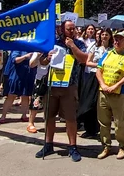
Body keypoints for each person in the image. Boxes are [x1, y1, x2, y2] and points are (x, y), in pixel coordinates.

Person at [34, 20, 89, 162]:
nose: (72, 31)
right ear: (62, 29)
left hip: (69, 86)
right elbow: (42, 62)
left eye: (73, 29)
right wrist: (48, 58)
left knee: (70, 118)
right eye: (69, 29)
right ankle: (48, 144)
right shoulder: (53, 42)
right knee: (49, 116)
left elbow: (84, 59)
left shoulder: (79, 43)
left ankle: (72, 147)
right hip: (52, 84)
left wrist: (72, 46)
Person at [96, 31, 124, 160]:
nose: (117, 42)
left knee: (119, 123)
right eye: (116, 39)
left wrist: (116, 86)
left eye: (120, 39)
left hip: (118, 94)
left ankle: (122, 146)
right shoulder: (107, 54)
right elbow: (98, 70)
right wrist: (103, 84)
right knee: (103, 122)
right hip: (103, 92)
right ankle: (106, 146)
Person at [77, 28, 104, 138]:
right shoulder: (94, 47)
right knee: (89, 103)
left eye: (106, 35)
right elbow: (88, 62)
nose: (103, 37)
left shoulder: (112, 49)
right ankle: (89, 128)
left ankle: (98, 129)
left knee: (100, 105)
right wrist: (101, 65)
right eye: (101, 35)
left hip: (106, 78)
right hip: (92, 76)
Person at [0, 51, 36, 123]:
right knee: (11, 96)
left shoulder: (34, 49)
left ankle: (24, 115)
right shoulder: (18, 48)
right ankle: (3, 116)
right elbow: (15, 60)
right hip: (16, 75)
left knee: (25, 96)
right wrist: (25, 56)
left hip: (28, 75)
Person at [27, 51, 50, 133]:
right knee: (36, 101)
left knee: (49, 103)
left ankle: (48, 123)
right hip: (41, 79)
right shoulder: (39, 51)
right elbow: (31, 64)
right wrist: (38, 56)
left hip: (53, 79)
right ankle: (31, 123)